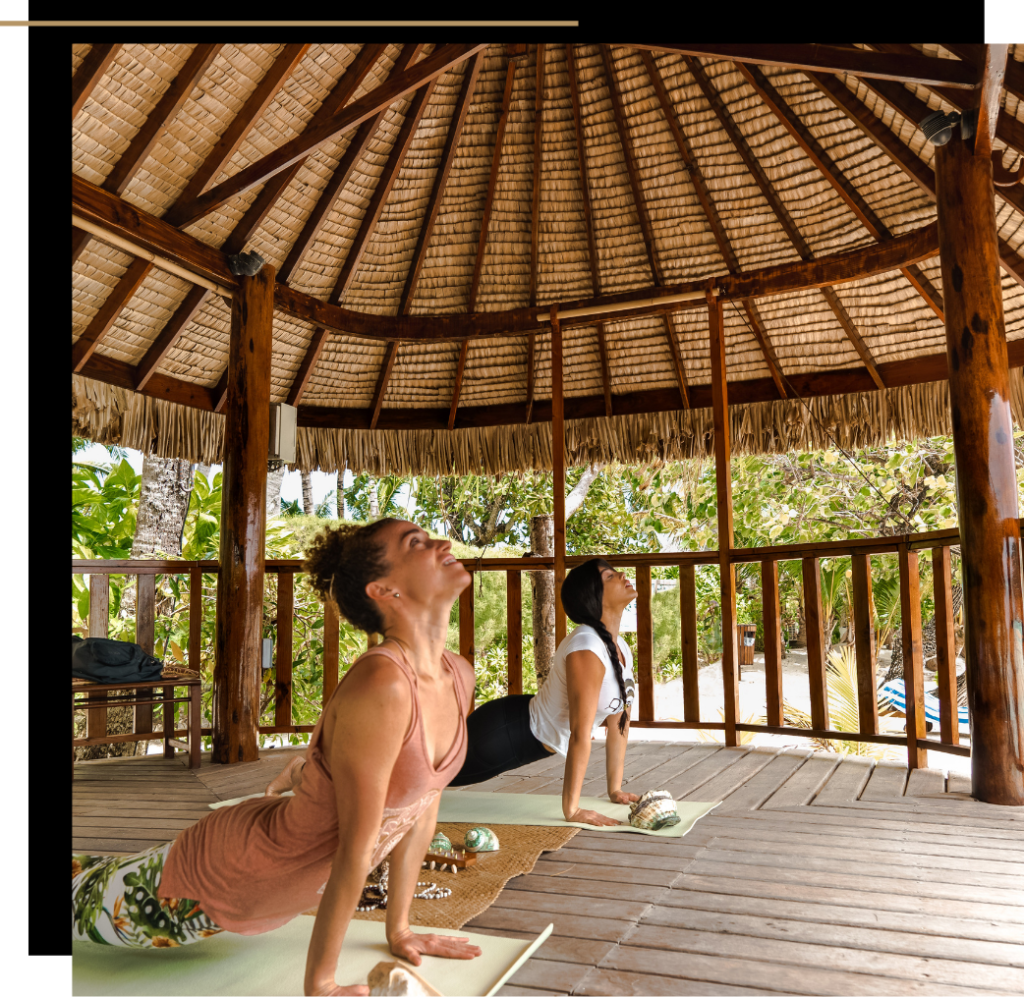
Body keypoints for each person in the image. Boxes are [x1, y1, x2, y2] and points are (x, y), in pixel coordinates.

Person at [72, 518, 483, 996]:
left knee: (85, 870)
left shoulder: (459, 675)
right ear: (384, 589)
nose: (441, 542)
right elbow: (357, 845)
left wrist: (401, 930)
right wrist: (322, 986)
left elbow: (421, 810)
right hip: (220, 878)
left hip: (261, 875)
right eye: (417, 542)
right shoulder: (383, 685)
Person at [450, 557, 641, 827]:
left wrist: (615, 789)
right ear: (593, 598)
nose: (621, 575)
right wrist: (572, 810)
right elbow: (579, 732)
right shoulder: (586, 647)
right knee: (424, 775)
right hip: (503, 735)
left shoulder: (619, 647)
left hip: (521, 733)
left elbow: (619, 724)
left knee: (418, 774)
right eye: (609, 577)